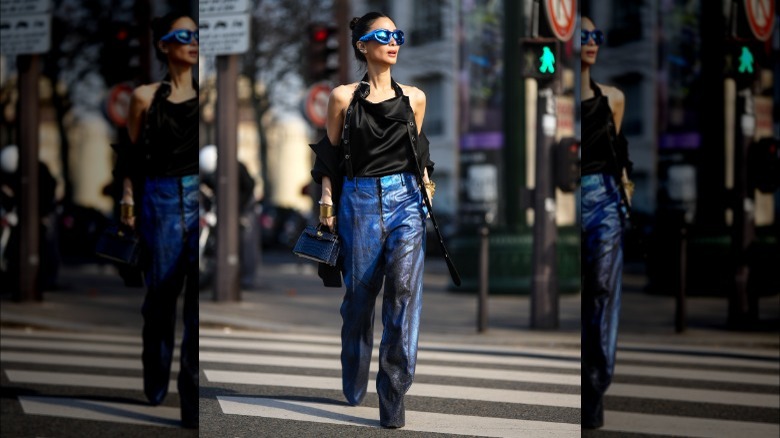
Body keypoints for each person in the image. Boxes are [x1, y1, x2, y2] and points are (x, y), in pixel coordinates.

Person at [309, 12, 434, 429]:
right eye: (383, 35)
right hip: (358, 201)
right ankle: (354, 367)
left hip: (406, 199)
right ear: (362, 46)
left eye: (397, 34)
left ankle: (393, 394)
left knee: (403, 293)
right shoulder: (342, 97)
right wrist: (327, 205)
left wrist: (427, 188)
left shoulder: (415, 98)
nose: (393, 41)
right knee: (359, 301)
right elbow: (328, 156)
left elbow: (419, 153)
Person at [118, 10, 198, 429]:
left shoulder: (209, 97)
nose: (193, 41)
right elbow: (130, 156)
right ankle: (155, 372)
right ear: (164, 45)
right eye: (183, 36)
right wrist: (128, 201)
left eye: (197, 35)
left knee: (196, 307)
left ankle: (191, 403)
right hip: (160, 199)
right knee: (161, 299)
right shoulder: (144, 97)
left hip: (198, 197)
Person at [580, 16, 632, 429]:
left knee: (602, 289)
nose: (592, 42)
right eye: (583, 36)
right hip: (566, 197)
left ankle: (595, 389)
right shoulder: (556, 102)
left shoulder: (613, 98)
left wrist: (625, 194)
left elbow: (621, 154)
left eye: (596, 35)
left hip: (604, 199)